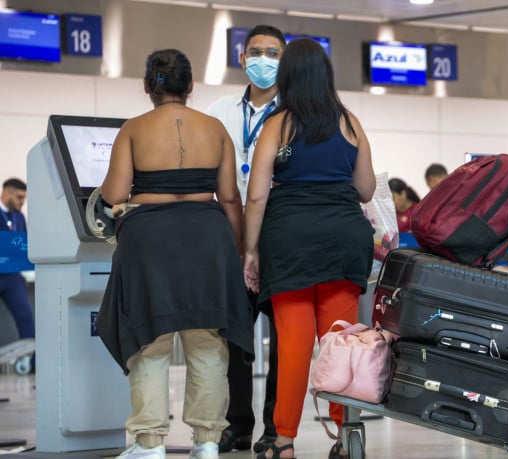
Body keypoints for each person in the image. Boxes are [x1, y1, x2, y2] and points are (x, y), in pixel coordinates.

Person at [95, 49, 254, 459]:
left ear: (148, 86)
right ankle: (206, 441)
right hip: (208, 238)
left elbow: (113, 194)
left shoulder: (133, 129)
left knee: (150, 340)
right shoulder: (216, 129)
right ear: (191, 87)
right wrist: (237, 252)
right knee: (207, 343)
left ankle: (148, 444)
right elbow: (231, 198)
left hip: (150, 240)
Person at [243, 38, 375, 459]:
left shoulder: (277, 124)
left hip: (289, 244)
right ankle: (344, 434)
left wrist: (251, 252)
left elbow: (257, 196)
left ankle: (283, 441)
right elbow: (367, 190)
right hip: (342, 241)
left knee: (294, 347)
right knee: (340, 346)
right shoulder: (350, 123)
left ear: (288, 77)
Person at [207, 23, 285, 455]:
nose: (263, 60)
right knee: (234, 335)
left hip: (279, 235)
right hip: (229, 234)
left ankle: (275, 425)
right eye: (256, 51)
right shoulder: (219, 109)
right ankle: (237, 424)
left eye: (273, 53)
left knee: (283, 335)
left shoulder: (295, 111)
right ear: (242, 58)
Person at [0, 178, 35, 343]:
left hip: (12, 277)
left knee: (26, 320)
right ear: (7, 193)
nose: (22, 202)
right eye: (19, 197)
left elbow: (22, 243)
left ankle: (33, 363)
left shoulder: (19, 217)